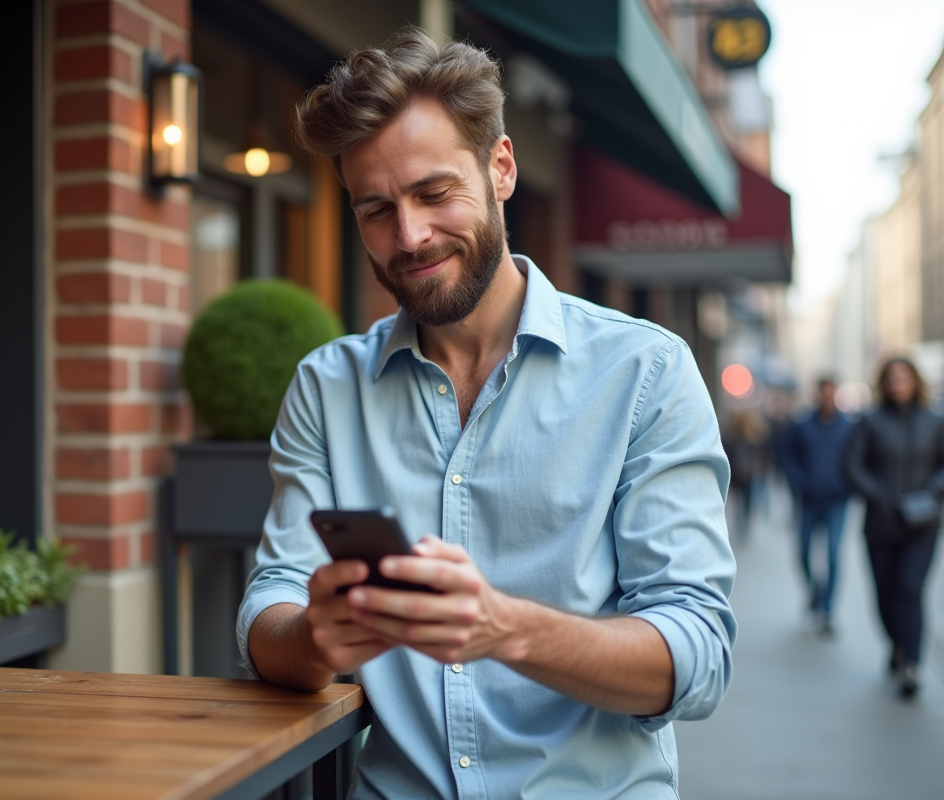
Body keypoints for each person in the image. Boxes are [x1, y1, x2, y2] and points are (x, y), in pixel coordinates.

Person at [235, 29, 736, 798]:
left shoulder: (648, 372)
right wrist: (313, 637)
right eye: (376, 210)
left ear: (501, 167)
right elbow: (270, 604)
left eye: (434, 194)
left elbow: (697, 656)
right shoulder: (326, 387)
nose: (409, 237)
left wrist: (507, 628)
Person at [845, 358, 944, 699]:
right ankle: (899, 644)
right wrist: (880, 495)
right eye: (891, 378)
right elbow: (853, 465)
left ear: (915, 381)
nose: (898, 383)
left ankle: (912, 665)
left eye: (903, 377)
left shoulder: (935, 420)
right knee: (885, 597)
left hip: (922, 524)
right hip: (882, 525)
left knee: (909, 589)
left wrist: (931, 491)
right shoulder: (870, 422)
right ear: (884, 383)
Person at [781, 377, 855, 636]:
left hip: (837, 501)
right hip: (809, 501)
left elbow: (856, 459)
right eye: (823, 393)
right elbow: (787, 457)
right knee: (803, 552)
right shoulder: (802, 425)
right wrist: (800, 481)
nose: (827, 398)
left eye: (831, 393)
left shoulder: (848, 427)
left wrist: (848, 485)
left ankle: (828, 609)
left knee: (834, 553)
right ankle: (815, 590)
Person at [722, 408, 770, 542]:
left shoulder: (751, 436)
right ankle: (744, 523)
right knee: (745, 501)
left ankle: (742, 523)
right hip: (746, 475)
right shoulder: (752, 435)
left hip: (742, 474)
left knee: (741, 501)